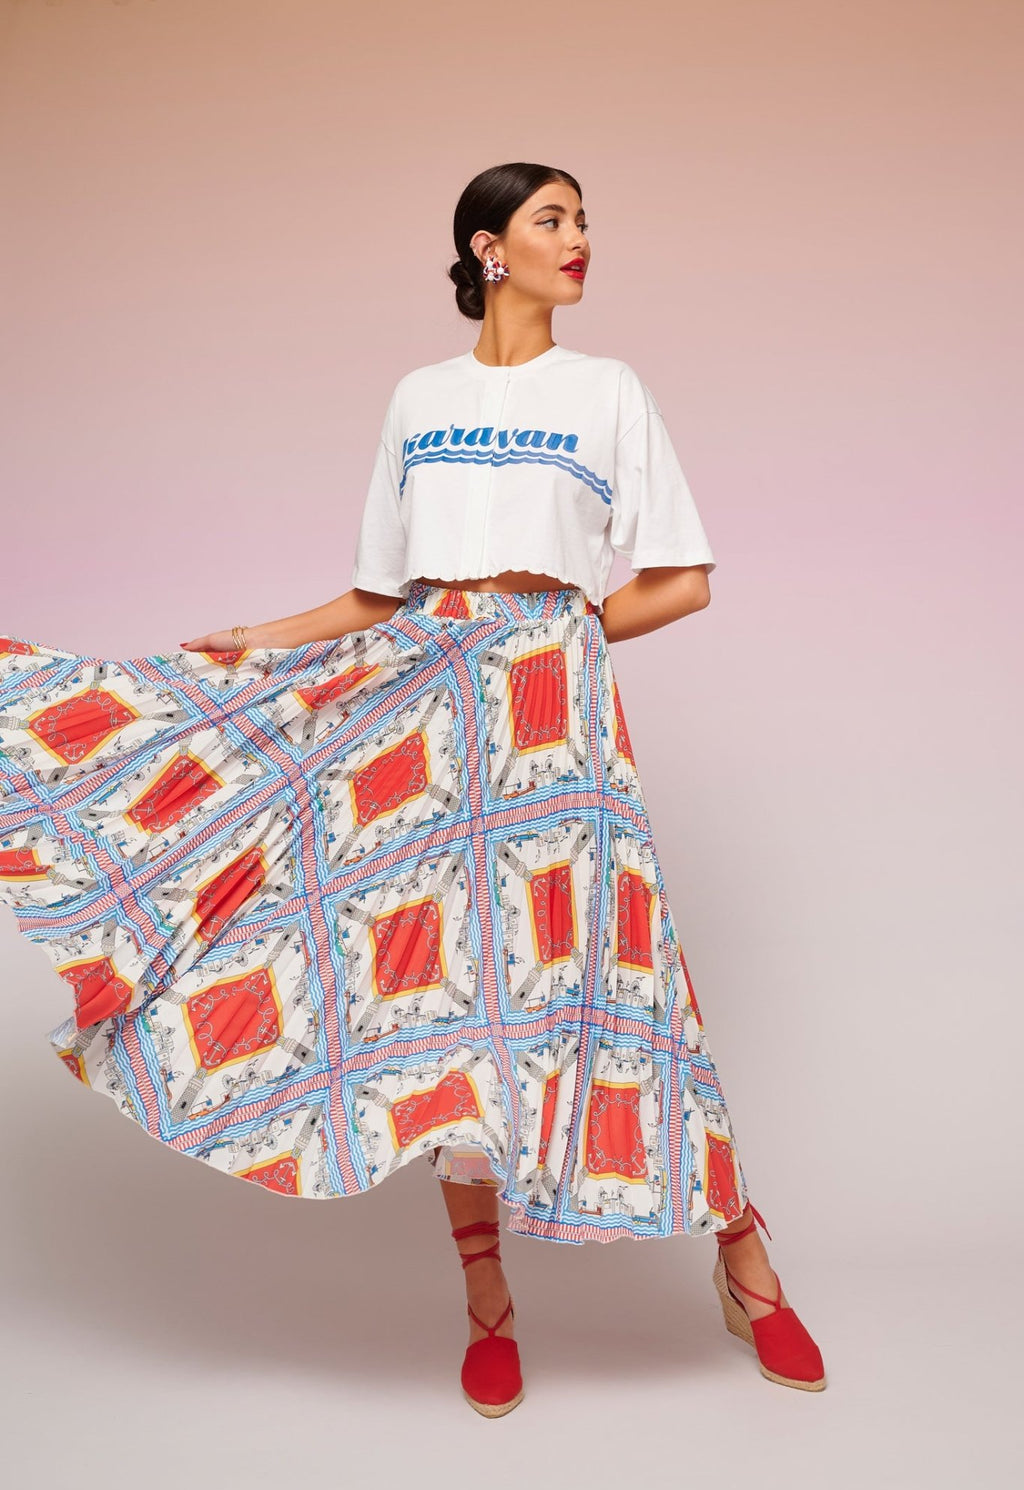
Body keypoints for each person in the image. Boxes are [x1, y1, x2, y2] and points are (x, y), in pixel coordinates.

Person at [0, 161, 824, 1419]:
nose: (580, 239)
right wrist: (255, 639)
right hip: (425, 713)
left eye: (584, 221)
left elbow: (684, 579)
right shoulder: (418, 398)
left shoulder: (607, 390)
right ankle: (487, 1299)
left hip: (553, 721)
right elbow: (375, 593)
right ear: (490, 246)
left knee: (620, 976)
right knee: (440, 990)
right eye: (553, 219)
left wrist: (553, 640)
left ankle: (744, 1258)